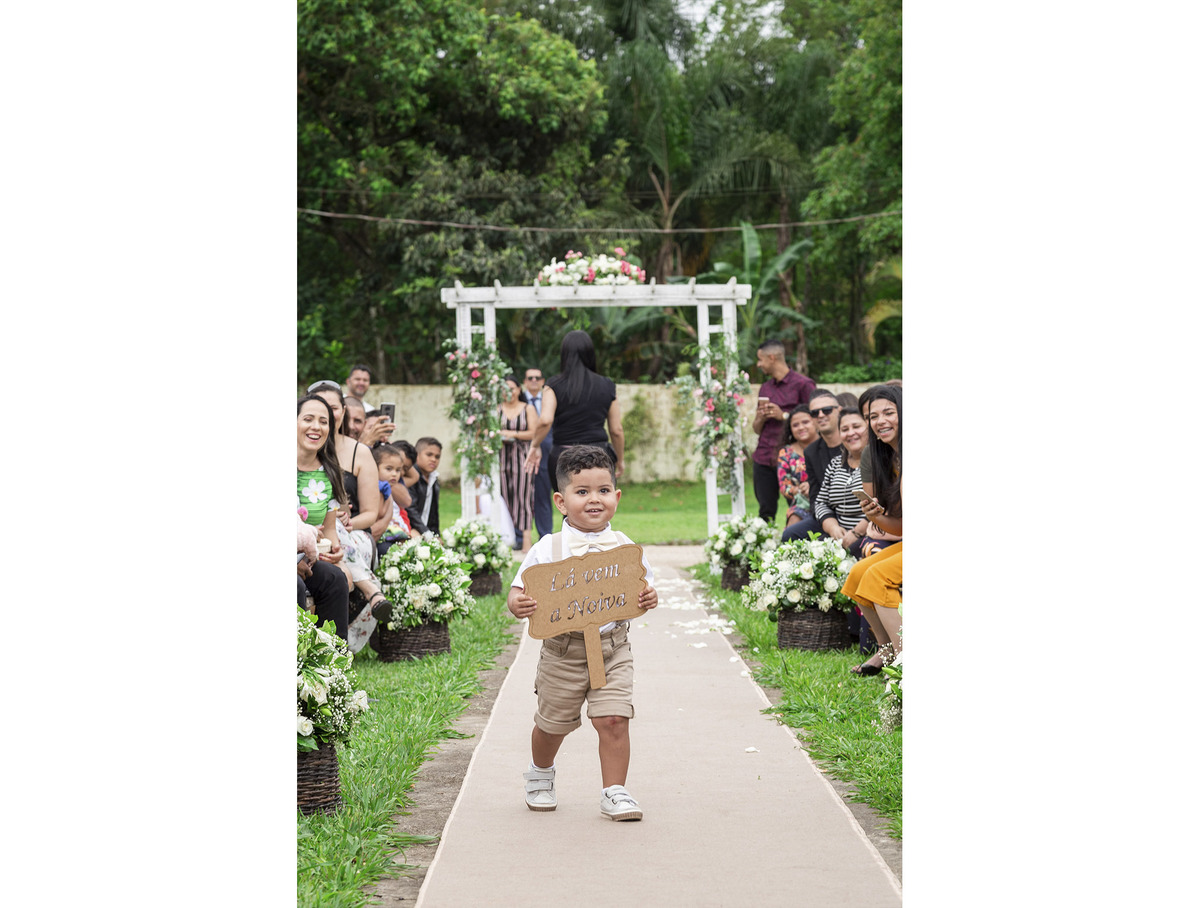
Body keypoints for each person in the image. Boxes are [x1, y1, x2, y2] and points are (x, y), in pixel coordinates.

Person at [507, 446, 658, 820]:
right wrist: (519, 604)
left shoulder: (624, 547)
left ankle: (615, 791)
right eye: (582, 492)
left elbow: (643, 587)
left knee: (614, 719)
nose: (595, 499)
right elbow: (518, 590)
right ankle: (541, 772)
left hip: (613, 647)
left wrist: (648, 595)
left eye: (604, 491)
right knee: (552, 724)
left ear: (617, 497)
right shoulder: (549, 548)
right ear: (560, 500)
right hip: (563, 651)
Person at [309, 382, 395, 636]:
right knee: (330, 520)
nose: (325, 414)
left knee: (335, 522)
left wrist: (347, 522)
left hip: (354, 533)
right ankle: (372, 591)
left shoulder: (360, 451)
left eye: (332, 408)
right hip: (316, 530)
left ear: (342, 411)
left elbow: (370, 512)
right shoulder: (305, 449)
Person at [844, 385, 903, 676]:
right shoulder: (880, 456)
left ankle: (906, 659)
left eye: (889, 413)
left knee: (877, 576)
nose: (881, 421)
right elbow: (899, 524)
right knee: (857, 574)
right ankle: (888, 650)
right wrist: (874, 516)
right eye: (874, 416)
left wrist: (879, 522)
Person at [524, 330, 625, 492]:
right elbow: (616, 430)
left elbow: (545, 420)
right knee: (600, 508)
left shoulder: (554, 384)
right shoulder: (607, 385)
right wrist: (620, 459)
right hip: (599, 456)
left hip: (564, 456)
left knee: (569, 508)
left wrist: (534, 445)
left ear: (564, 355)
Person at [296, 396, 350, 638]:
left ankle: (333, 666)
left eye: (323, 421)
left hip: (311, 557)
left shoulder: (329, 471)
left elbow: (329, 529)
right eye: (308, 419)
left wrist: (334, 550)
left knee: (335, 578)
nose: (316, 427)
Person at [750, 339, 815, 524]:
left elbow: (814, 419)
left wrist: (784, 415)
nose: (759, 364)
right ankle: (765, 549)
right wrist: (761, 417)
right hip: (764, 457)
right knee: (765, 510)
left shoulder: (803, 384)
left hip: (792, 459)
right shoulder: (766, 387)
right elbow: (756, 428)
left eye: (760, 359)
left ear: (772, 358)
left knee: (801, 507)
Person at [780, 389, 842, 541]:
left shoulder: (853, 442)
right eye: (815, 413)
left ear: (839, 411)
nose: (820, 415)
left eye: (826, 410)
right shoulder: (811, 452)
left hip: (856, 513)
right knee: (790, 534)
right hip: (827, 515)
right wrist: (829, 522)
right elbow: (816, 498)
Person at [499, 375, 538, 552]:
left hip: (522, 458)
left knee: (523, 496)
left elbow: (534, 432)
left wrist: (512, 433)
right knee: (503, 496)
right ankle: (507, 537)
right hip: (500, 458)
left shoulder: (527, 408)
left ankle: (526, 541)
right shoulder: (496, 410)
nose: (509, 392)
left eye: (512, 388)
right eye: (505, 389)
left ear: (519, 389)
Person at [522, 365, 554, 541]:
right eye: (530, 378)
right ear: (525, 382)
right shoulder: (518, 398)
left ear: (542, 381)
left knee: (543, 493)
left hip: (547, 452)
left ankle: (545, 535)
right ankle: (520, 536)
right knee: (520, 494)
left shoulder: (550, 399)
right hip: (520, 452)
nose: (534, 381)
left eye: (537, 378)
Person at [777, 407, 818, 527]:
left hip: (830, 500)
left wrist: (814, 488)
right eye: (795, 425)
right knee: (793, 522)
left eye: (805, 422)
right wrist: (800, 490)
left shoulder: (826, 446)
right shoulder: (786, 453)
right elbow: (784, 486)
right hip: (802, 504)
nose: (801, 427)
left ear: (815, 422)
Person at [406, 437, 443, 536]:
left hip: (425, 531)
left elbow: (433, 515)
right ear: (417, 455)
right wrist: (426, 533)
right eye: (429, 454)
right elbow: (410, 509)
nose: (433, 459)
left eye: (437, 456)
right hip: (409, 529)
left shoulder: (434, 479)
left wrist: (436, 535)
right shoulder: (411, 477)